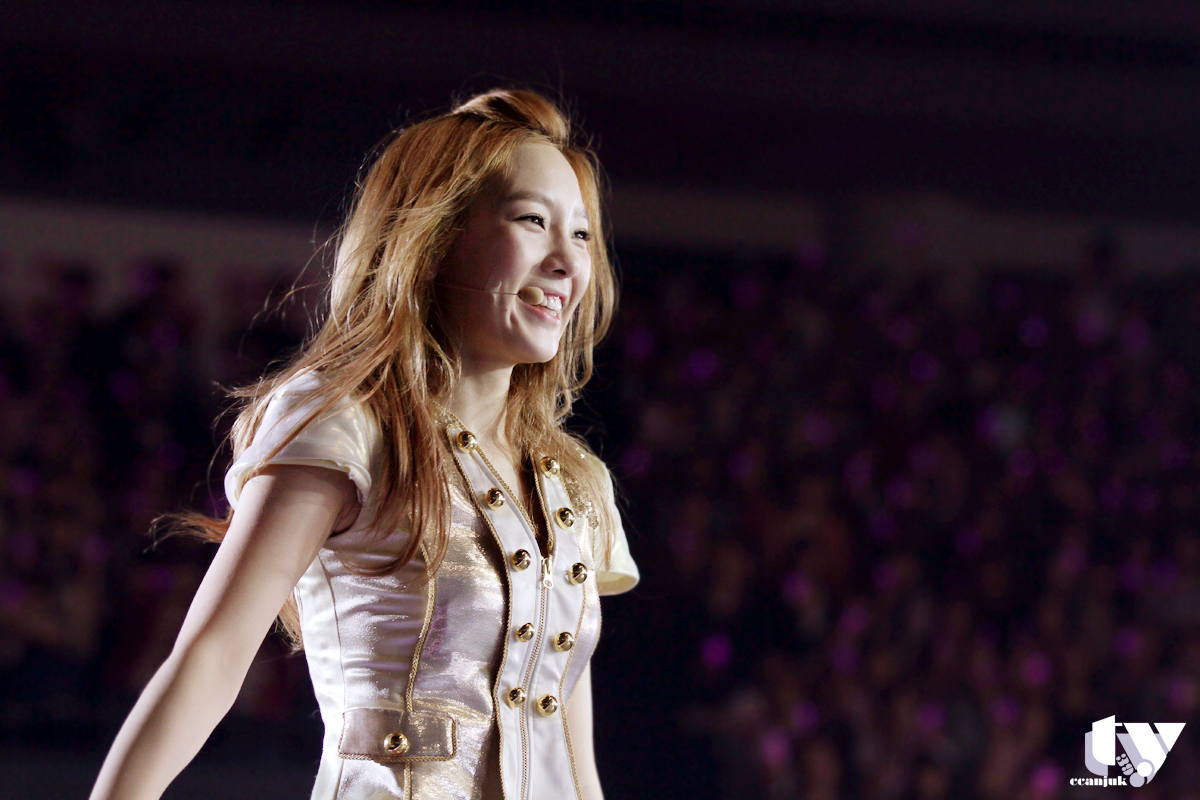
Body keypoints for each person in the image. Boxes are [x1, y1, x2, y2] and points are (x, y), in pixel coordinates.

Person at [89, 88, 639, 800]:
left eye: (583, 234)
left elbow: (569, 751)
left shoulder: (576, 480)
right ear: (435, 238)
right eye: (533, 221)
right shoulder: (346, 424)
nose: (567, 262)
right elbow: (211, 659)